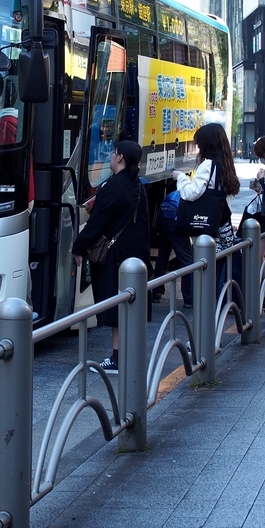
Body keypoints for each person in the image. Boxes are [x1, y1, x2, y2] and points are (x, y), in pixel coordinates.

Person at [71, 140, 150, 375]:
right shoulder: (136, 184)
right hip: (134, 254)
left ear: (120, 158)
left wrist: (78, 247)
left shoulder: (114, 186)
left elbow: (97, 224)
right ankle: (128, 354)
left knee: (115, 305)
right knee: (128, 305)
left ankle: (117, 358)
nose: (111, 156)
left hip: (116, 255)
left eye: (114, 153)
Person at [173, 123, 241, 302]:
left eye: (199, 143)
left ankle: (210, 315)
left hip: (208, 230)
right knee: (219, 274)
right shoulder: (226, 164)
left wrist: (181, 177)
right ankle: (220, 308)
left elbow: (191, 193)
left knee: (208, 273)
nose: (198, 148)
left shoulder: (208, 165)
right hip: (221, 227)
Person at [151, 188, 195, 307]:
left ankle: (157, 291)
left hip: (164, 216)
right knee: (186, 259)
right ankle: (189, 298)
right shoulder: (196, 190)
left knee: (163, 256)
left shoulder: (181, 189)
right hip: (176, 219)